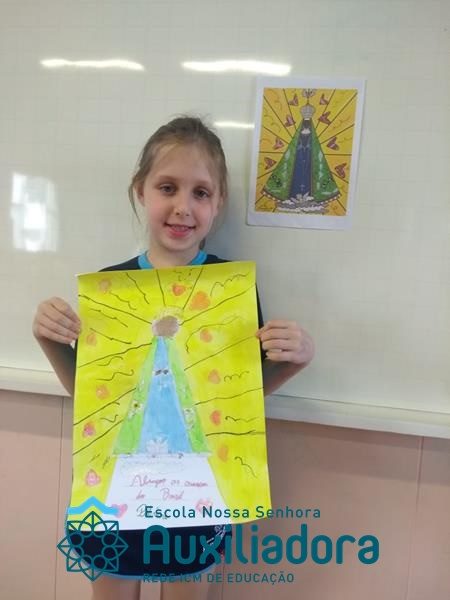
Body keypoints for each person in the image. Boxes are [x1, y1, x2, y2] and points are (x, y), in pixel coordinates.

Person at [32, 116, 314, 600]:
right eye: (168, 187)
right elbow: (91, 400)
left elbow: (240, 399)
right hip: (118, 485)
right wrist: (50, 340)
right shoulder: (110, 289)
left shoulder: (232, 292)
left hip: (192, 491)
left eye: (201, 193)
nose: (183, 206)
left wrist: (294, 360)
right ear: (140, 190)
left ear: (218, 203)